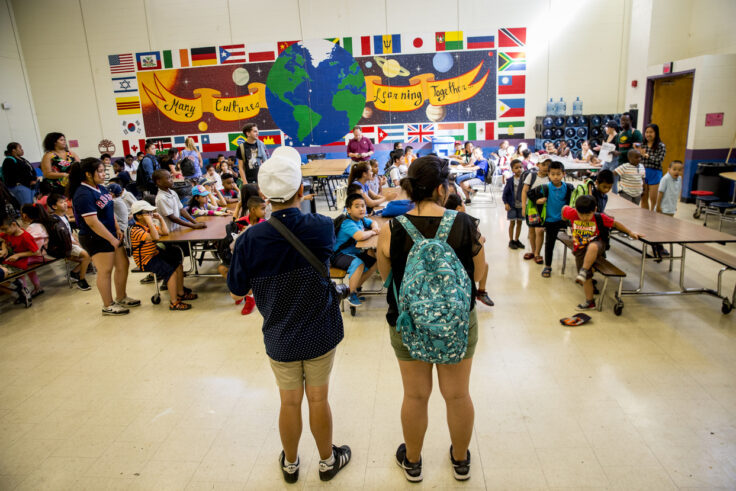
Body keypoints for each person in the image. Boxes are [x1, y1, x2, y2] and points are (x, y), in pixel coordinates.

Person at [227, 153, 351, 484]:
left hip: (279, 335)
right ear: (301, 189)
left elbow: (236, 290)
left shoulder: (249, 240)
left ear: (265, 196)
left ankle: (292, 464)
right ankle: (327, 461)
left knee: (289, 401)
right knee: (319, 398)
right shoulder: (322, 227)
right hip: (320, 330)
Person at [376, 156, 484, 483]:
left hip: (407, 323)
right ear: (442, 188)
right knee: (457, 394)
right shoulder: (465, 224)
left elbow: (387, 278)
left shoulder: (389, 229)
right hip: (457, 323)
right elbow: (479, 274)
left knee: (415, 395)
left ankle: (412, 462)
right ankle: (461, 460)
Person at [68, 158, 139, 315]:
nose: (103, 174)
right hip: (96, 237)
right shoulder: (83, 194)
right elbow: (93, 222)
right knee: (105, 270)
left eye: (103, 171)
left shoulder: (100, 188)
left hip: (111, 233)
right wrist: (111, 239)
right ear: (87, 174)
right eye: (99, 171)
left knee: (123, 264)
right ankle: (108, 305)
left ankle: (121, 297)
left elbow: (109, 209)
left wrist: (116, 229)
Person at [562, 195, 641, 310]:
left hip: (598, 244)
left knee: (592, 247)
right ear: (577, 210)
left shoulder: (600, 217)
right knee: (587, 279)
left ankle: (584, 270)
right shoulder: (573, 213)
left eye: (588, 215)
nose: (584, 218)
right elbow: (564, 209)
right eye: (581, 215)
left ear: (594, 210)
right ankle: (590, 302)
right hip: (579, 250)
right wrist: (563, 218)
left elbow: (615, 224)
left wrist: (630, 232)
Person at [129, 200, 197, 311]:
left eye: (151, 213)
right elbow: (155, 237)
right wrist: (150, 223)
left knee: (178, 265)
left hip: (155, 254)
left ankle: (181, 293)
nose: (151, 215)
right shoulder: (136, 230)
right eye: (148, 213)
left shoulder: (148, 226)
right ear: (138, 216)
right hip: (146, 260)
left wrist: (160, 218)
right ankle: (174, 302)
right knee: (171, 273)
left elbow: (165, 232)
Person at [444, 193, 494, 307]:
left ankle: (481, 292)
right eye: (462, 203)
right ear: (459, 208)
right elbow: (478, 240)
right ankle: (481, 291)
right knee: (484, 266)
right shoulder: (468, 222)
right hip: (463, 262)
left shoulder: (443, 220)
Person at [332, 193, 380, 308]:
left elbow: (373, 222)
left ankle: (354, 288)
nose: (361, 209)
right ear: (348, 210)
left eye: (363, 206)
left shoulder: (361, 219)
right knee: (358, 264)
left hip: (353, 252)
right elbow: (360, 236)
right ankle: (351, 294)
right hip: (338, 255)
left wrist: (375, 227)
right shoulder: (347, 223)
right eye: (357, 206)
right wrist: (373, 232)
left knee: (375, 259)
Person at [529, 161, 574, 278]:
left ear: (563, 174)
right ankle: (548, 266)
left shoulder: (568, 187)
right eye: (553, 174)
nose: (555, 177)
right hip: (550, 221)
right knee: (549, 244)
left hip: (564, 220)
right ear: (548, 174)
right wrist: (537, 201)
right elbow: (530, 194)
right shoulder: (545, 187)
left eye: (558, 174)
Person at [47, 193, 91, 291]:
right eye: (61, 202)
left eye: (65, 201)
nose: (65, 204)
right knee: (87, 256)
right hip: (64, 246)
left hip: (71, 243)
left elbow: (70, 232)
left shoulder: (64, 216)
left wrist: (76, 241)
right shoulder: (53, 220)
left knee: (90, 254)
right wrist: (73, 243)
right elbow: (58, 238)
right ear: (54, 206)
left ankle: (74, 273)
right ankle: (81, 279)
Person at [0, 215, 43, 300]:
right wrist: (4, 249)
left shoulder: (25, 236)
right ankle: (24, 292)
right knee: (17, 269)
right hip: (19, 258)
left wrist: (18, 255)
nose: (4, 232)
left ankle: (30, 290)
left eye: (5, 229)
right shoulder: (8, 233)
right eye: (2, 230)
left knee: (22, 270)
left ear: (14, 224)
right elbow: (3, 240)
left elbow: (36, 252)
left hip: (31, 257)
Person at [521, 159, 550, 263]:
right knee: (531, 230)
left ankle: (537, 253)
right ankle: (533, 252)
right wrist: (524, 207)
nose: (546, 167)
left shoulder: (551, 177)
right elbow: (524, 191)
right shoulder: (531, 176)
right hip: (532, 207)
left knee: (540, 230)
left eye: (548, 164)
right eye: (543, 164)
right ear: (538, 164)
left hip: (544, 209)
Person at [611, 114, 642, 193]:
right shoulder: (619, 134)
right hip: (620, 163)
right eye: (621, 120)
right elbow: (617, 148)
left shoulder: (636, 133)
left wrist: (620, 153)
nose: (623, 122)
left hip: (632, 165)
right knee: (620, 185)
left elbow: (636, 150)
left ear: (631, 121)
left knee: (630, 188)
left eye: (625, 120)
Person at [640, 123, 667, 210]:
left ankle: (653, 219)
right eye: (646, 132)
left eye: (651, 132)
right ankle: (645, 219)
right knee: (643, 199)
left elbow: (659, 160)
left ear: (656, 133)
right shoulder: (642, 145)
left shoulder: (661, 146)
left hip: (655, 173)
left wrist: (647, 156)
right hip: (643, 173)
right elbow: (638, 159)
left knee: (653, 200)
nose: (648, 134)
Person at [502, 159, 525, 249]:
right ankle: (511, 240)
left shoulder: (525, 180)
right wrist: (506, 203)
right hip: (512, 205)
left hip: (521, 206)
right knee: (512, 223)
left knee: (519, 223)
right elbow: (505, 194)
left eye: (520, 167)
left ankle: (517, 240)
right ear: (512, 169)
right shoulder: (510, 180)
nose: (519, 169)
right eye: (516, 168)